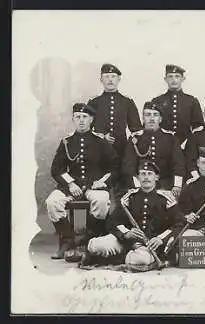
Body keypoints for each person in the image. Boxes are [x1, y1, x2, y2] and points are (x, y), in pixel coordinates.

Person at [45, 103, 119, 260]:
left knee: (101, 201)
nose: (81, 120)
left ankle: (90, 240)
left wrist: (103, 182)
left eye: (85, 117)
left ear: (91, 119)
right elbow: (56, 168)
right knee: (52, 202)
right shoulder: (66, 141)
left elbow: (115, 166)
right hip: (71, 186)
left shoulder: (100, 141)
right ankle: (67, 240)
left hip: (94, 185)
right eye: (78, 117)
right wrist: (70, 184)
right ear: (73, 119)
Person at [83, 160, 184, 266]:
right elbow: (113, 221)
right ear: (137, 178)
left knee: (140, 260)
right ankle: (120, 256)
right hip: (126, 242)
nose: (146, 177)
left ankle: (114, 258)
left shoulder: (166, 198)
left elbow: (179, 224)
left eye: (150, 174)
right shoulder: (129, 197)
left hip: (150, 246)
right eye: (142, 174)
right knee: (95, 245)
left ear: (156, 177)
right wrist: (126, 233)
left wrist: (160, 239)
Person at [121, 101, 185, 198]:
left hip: (165, 184)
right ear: (143, 118)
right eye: (148, 115)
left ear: (160, 119)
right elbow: (128, 166)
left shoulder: (170, 138)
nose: (151, 118)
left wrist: (177, 185)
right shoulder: (135, 138)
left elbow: (178, 163)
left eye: (155, 115)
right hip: (141, 183)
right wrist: (137, 186)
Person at [88, 63, 142, 159]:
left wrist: (130, 145)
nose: (110, 80)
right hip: (98, 151)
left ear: (119, 79)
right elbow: (86, 130)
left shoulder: (127, 101)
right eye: (106, 76)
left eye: (113, 76)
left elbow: (137, 130)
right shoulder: (94, 102)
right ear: (101, 80)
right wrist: (102, 137)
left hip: (121, 151)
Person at [150, 64, 204, 147]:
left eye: (177, 76)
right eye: (170, 77)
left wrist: (189, 143)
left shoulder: (192, 101)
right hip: (163, 146)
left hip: (185, 146)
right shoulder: (157, 101)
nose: (174, 80)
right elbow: (150, 125)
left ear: (183, 79)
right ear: (165, 79)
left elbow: (198, 127)